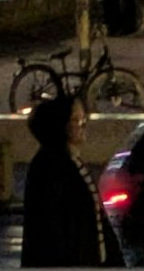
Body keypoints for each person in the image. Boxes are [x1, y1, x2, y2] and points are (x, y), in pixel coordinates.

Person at [23, 96, 122, 267]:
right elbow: (55, 230)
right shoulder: (52, 167)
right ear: (60, 125)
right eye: (76, 120)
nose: (83, 125)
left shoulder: (68, 162)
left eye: (83, 119)